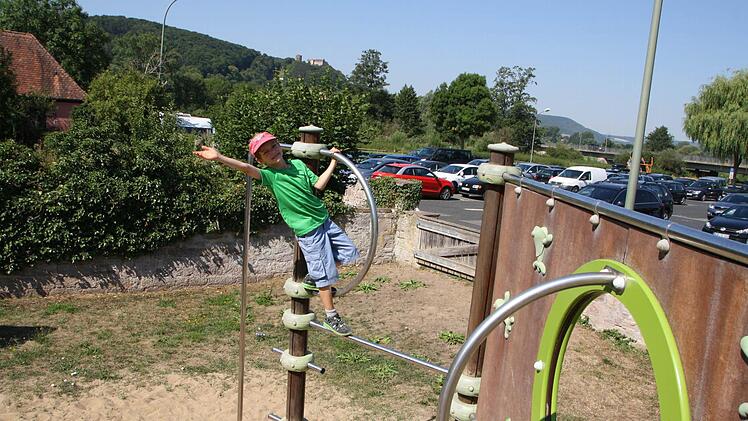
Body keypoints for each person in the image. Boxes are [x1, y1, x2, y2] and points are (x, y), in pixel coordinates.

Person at [192, 132, 357, 336]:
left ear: (280, 145)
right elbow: (245, 168)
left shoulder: (297, 165)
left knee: (348, 252)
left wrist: (332, 162)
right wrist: (219, 157)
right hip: (309, 230)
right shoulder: (271, 176)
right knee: (325, 275)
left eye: (273, 146)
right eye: (265, 152)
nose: (272, 152)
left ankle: (315, 277)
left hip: (324, 220)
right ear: (261, 160)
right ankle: (331, 316)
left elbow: (318, 186)